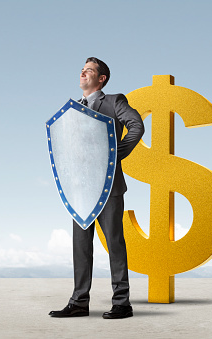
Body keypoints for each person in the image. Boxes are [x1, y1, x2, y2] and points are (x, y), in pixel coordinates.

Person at [49, 57, 144, 319]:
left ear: (101, 78)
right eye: (82, 70)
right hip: (79, 189)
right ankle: (79, 302)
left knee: (114, 243)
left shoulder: (114, 101)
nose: (83, 73)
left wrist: (114, 157)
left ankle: (122, 303)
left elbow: (137, 126)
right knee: (80, 247)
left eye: (89, 70)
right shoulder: (72, 110)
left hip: (108, 186)